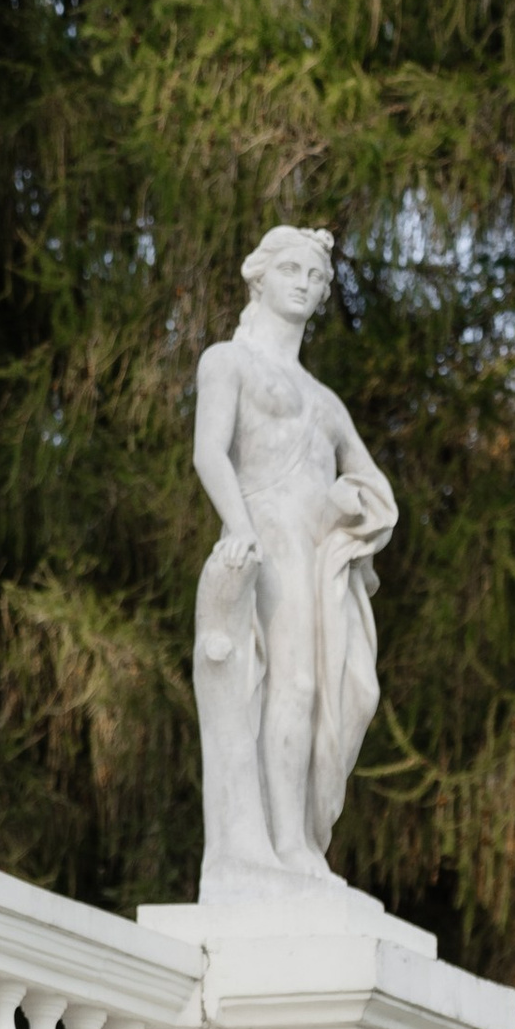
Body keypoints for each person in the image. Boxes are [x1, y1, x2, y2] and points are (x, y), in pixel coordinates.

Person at [190, 223, 399, 902]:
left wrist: (352, 507)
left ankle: (303, 840)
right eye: (293, 270)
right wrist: (240, 529)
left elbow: (374, 486)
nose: (306, 284)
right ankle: (281, 846)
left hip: (315, 552)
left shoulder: (325, 401)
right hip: (267, 534)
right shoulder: (228, 361)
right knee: (292, 687)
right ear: (260, 275)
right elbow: (209, 453)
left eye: (316, 277)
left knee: (336, 693)